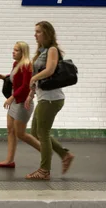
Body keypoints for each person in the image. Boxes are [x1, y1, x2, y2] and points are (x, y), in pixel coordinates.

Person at [26, 21, 75, 180]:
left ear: (47, 33)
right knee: (35, 132)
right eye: (35, 32)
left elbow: (50, 70)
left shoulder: (52, 50)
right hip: (44, 98)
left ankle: (44, 170)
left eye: (38, 32)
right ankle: (64, 154)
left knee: (43, 133)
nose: (35, 35)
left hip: (52, 99)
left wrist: (34, 77)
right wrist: (30, 95)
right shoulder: (42, 52)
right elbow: (37, 79)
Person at [0, 41, 41, 168]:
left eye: (16, 50)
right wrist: (4, 76)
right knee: (10, 130)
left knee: (20, 134)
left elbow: (26, 85)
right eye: (13, 49)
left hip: (22, 103)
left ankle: (45, 151)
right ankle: (9, 160)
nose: (13, 52)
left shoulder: (27, 65)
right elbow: (16, 77)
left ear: (23, 52)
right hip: (15, 101)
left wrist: (12, 97)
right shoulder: (17, 64)